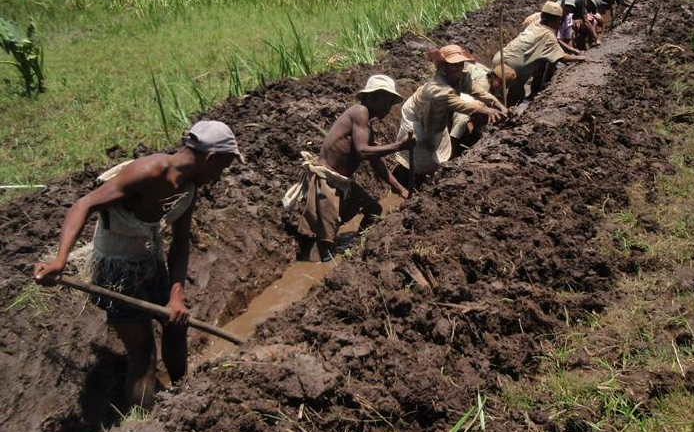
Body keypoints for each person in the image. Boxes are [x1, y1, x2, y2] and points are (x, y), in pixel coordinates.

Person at [33, 120, 243, 409]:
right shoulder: (149, 171)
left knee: (176, 326)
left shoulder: (189, 187)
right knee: (143, 353)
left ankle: (185, 396)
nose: (220, 176)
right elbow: (85, 205)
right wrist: (60, 259)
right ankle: (142, 423)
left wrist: (176, 296)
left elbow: (180, 243)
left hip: (150, 261)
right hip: (115, 271)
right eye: (222, 167)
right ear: (210, 158)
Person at [283, 75, 413, 263]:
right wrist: (398, 146)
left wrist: (399, 188)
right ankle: (316, 265)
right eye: (385, 100)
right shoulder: (359, 112)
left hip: (342, 182)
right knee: (324, 243)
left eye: (391, 102)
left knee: (374, 209)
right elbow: (362, 151)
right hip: (326, 182)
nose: (388, 106)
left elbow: (376, 161)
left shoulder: (367, 126)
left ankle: (356, 253)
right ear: (370, 98)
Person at [394, 45, 506, 176]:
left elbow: (478, 91)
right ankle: (408, 175)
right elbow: (461, 106)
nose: (459, 67)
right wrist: (485, 110)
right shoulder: (437, 87)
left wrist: (497, 103)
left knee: (438, 145)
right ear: (444, 67)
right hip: (416, 115)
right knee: (417, 147)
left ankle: (432, 172)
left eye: (461, 64)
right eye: (454, 65)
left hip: (436, 114)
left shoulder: (462, 77)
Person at [492, 1, 586, 104]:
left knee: (495, 92)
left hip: (499, 58)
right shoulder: (548, 36)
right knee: (515, 96)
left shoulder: (534, 24)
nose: (560, 22)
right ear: (556, 21)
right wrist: (581, 58)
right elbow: (562, 57)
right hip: (512, 68)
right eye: (559, 20)